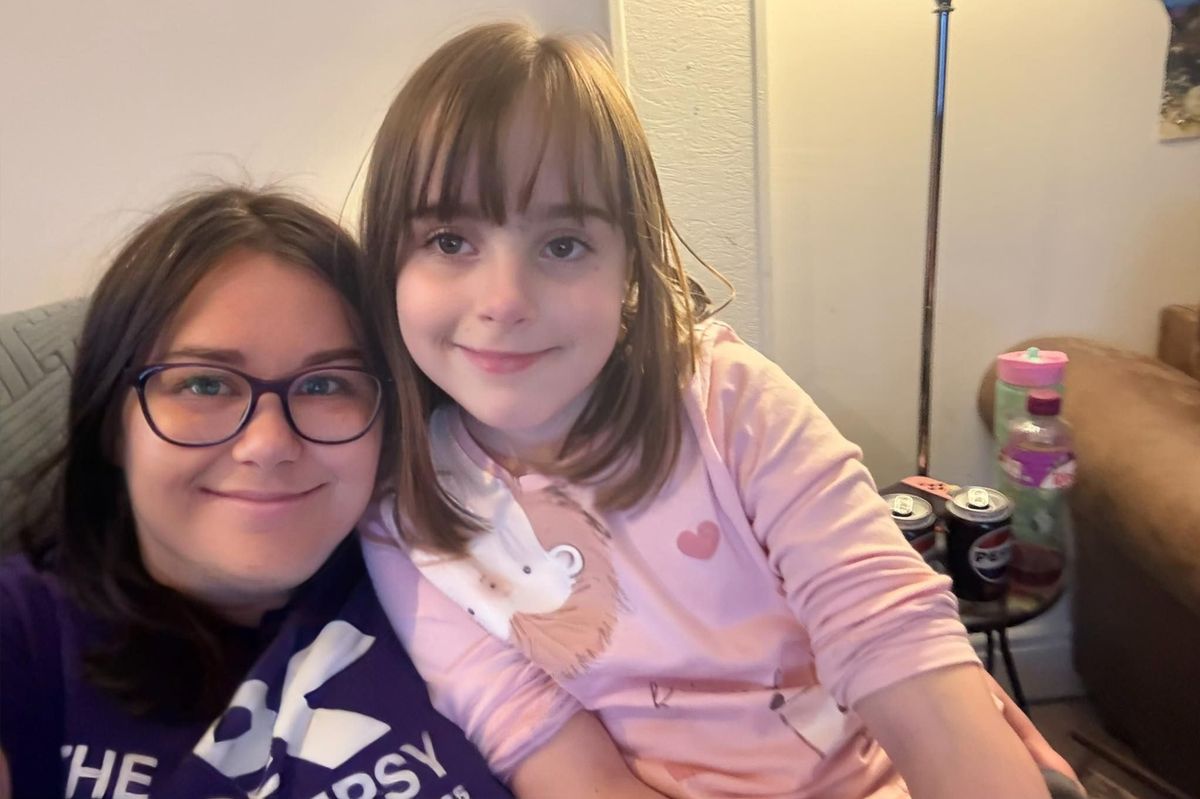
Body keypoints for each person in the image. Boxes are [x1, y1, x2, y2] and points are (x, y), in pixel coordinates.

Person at [357, 22, 1081, 799]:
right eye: (448, 239)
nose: (503, 301)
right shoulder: (406, 515)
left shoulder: (730, 403)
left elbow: (891, 635)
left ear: (628, 262)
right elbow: (550, 753)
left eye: (563, 244)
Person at [0, 187, 512, 798]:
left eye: (325, 384)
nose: (268, 443)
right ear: (113, 421)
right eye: (205, 385)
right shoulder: (23, 629)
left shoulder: (467, 585)